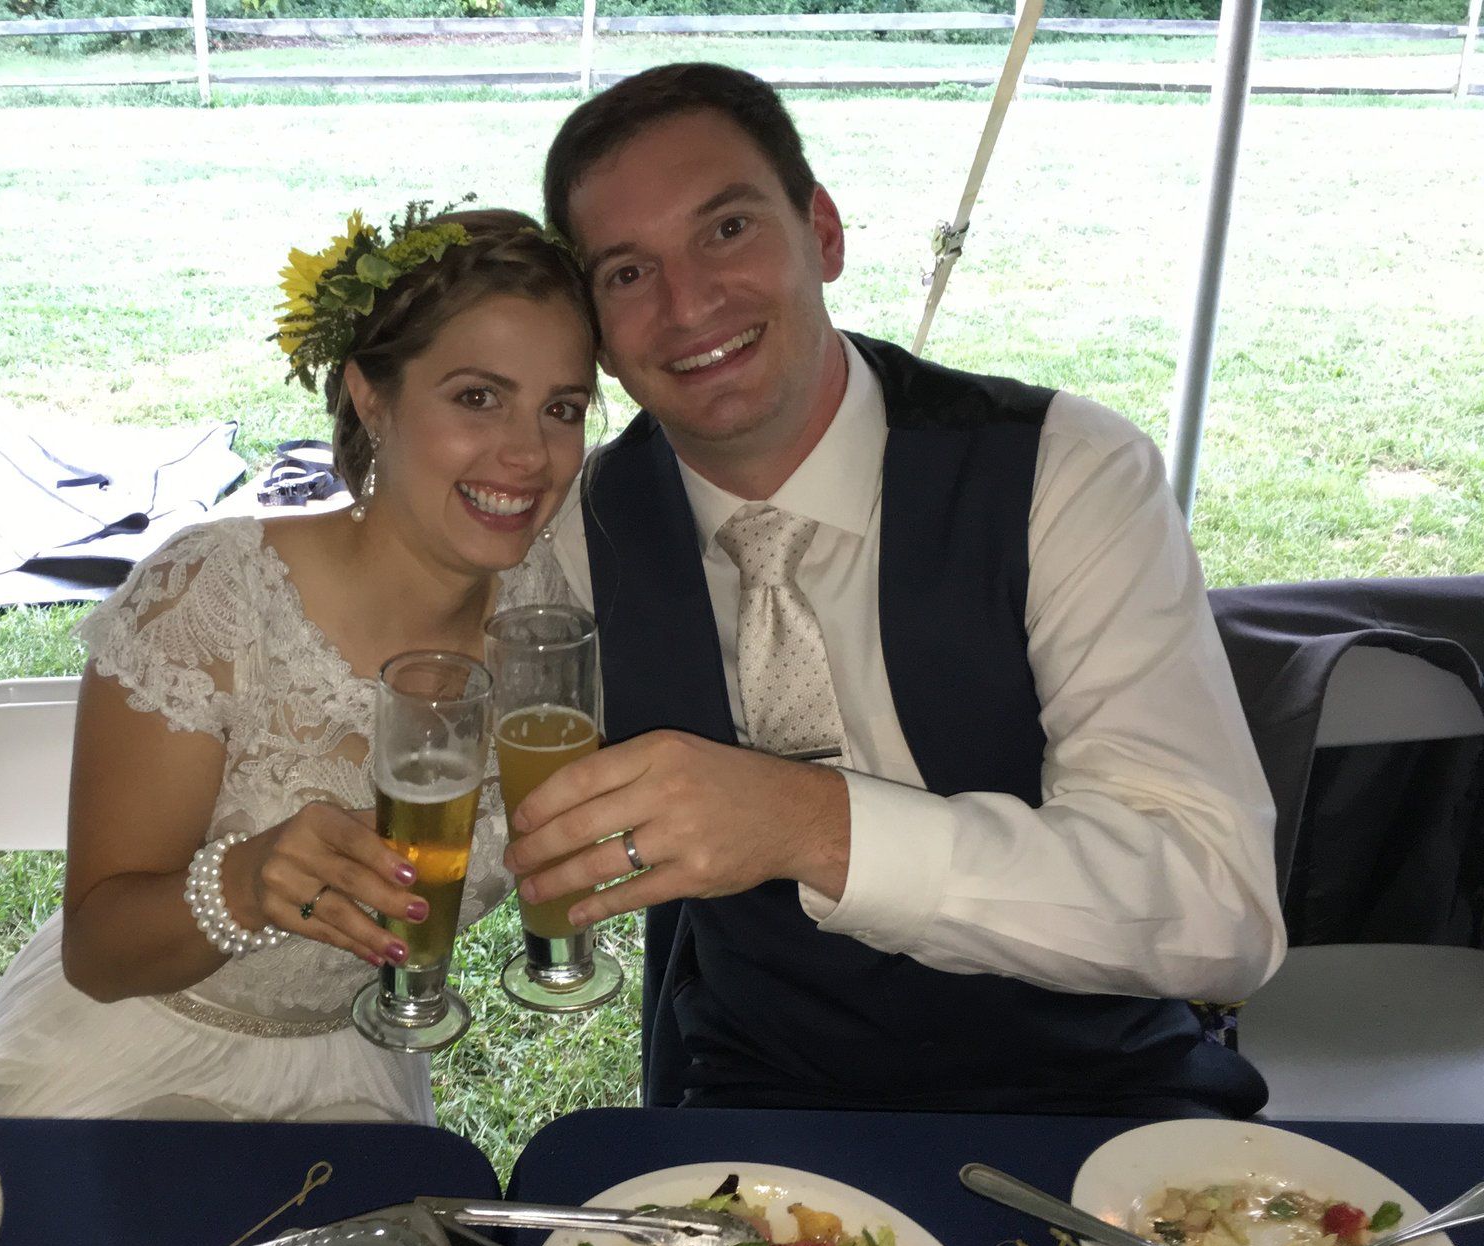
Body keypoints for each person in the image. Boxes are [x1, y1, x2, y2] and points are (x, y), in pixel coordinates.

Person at [504, 64, 1287, 1116]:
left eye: (728, 230)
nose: (688, 304)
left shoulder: (1063, 473)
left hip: (1095, 1093)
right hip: (759, 1096)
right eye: (629, 273)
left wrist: (811, 825)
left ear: (822, 233)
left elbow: (1219, 910)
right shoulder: (577, 529)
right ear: (595, 331)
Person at [0, 208, 591, 1122]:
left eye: (563, 409)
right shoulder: (212, 597)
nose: (529, 455)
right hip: (125, 1067)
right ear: (371, 398)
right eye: (478, 398)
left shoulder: (548, 612)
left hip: (358, 1071)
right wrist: (244, 884)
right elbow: (98, 952)